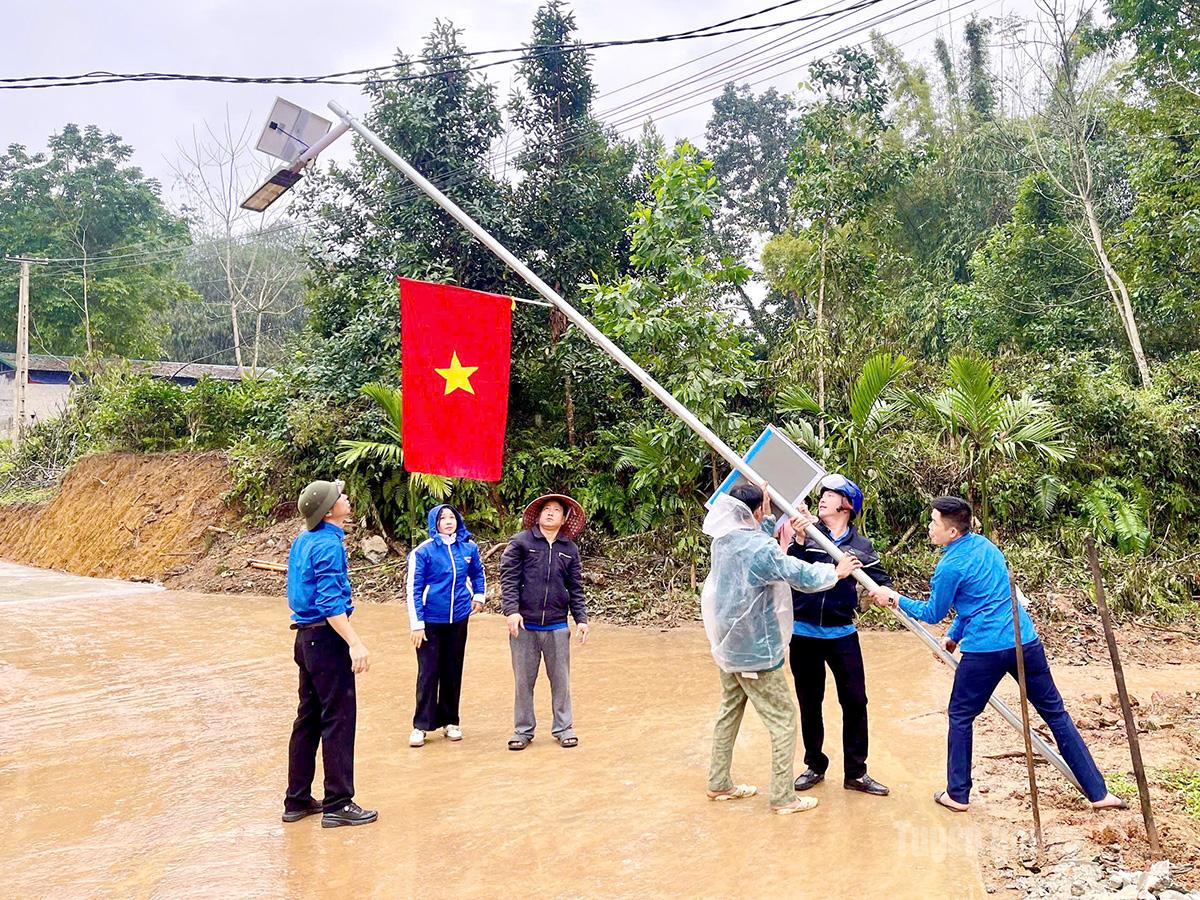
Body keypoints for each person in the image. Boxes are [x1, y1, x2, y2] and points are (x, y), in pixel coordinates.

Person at [869, 496, 1127, 813]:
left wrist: (893, 598)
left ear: (951, 532)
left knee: (961, 716)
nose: (929, 527)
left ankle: (957, 795)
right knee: (1056, 714)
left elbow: (932, 612)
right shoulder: (987, 547)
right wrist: (954, 636)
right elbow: (979, 600)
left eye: (934, 522)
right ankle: (1099, 793)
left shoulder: (949, 566)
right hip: (1024, 642)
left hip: (985, 653)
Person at [701, 482, 863, 815]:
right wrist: (836, 571)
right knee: (785, 720)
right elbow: (800, 575)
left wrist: (762, 508)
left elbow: (756, 539)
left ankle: (719, 783)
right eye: (764, 509)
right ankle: (783, 797)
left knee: (728, 712)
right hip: (756, 652)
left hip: (729, 648)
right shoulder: (762, 550)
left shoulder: (724, 542)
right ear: (757, 512)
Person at [787, 474, 892, 797]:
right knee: (809, 701)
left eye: (831, 495)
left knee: (856, 701)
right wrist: (801, 540)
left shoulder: (860, 546)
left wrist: (884, 592)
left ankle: (856, 773)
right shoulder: (809, 535)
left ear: (847, 506)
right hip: (802, 633)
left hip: (842, 634)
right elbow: (792, 570)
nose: (823, 499)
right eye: (823, 495)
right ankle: (815, 765)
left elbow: (880, 579)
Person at [284, 479, 377, 828]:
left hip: (305, 639)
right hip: (326, 639)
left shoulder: (305, 539)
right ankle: (339, 802)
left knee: (307, 718)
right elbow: (330, 604)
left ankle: (297, 800)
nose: (346, 497)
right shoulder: (327, 545)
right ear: (328, 509)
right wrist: (354, 641)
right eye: (340, 496)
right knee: (338, 720)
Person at [500, 493, 589, 750]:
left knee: (560, 680)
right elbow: (509, 579)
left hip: (557, 625)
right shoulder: (521, 542)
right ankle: (523, 730)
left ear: (564, 519)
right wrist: (511, 611)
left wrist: (581, 619)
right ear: (538, 516)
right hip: (524, 625)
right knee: (523, 681)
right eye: (546, 509)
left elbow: (575, 587)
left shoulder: (569, 549)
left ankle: (564, 728)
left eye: (556, 510)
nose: (550, 513)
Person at [406, 504, 486, 747]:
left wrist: (479, 596)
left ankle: (451, 721)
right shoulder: (424, 552)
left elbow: (478, 573)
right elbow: (413, 589)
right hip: (430, 621)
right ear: (435, 523)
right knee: (428, 672)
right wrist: (417, 624)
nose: (448, 521)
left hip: (459, 618)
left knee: (453, 670)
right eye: (443, 518)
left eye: (452, 517)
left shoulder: (469, 547)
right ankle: (421, 725)